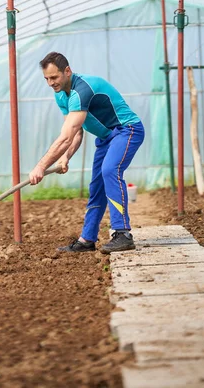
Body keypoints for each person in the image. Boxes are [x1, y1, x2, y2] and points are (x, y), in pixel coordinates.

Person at [28, 52, 144, 254]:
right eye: (46, 78)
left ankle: (123, 233)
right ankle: (87, 239)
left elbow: (66, 136)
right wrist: (65, 157)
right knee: (97, 185)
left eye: (54, 77)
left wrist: (41, 166)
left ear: (67, 71)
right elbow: (75, 132)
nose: (50, 83)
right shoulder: (60, 95)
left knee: (110, 171)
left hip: (127, 130)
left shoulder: (83, 89)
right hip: (107, 138)